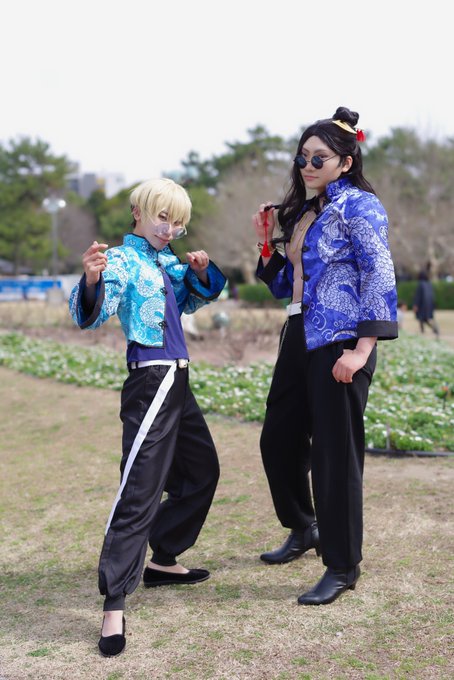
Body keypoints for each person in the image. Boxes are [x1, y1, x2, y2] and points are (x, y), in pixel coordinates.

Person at [69, 178, 226, 656]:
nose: (169, 228)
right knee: (139, 489)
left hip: (178, 380)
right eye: (163, 217)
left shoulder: (166, 262)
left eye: (178, 223)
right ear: (138, 211)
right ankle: (114, 604)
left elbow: (196, 298)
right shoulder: (121, 260)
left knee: (202, 471)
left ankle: (163, 557)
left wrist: (201, 271)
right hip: (151, 381)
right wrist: (92, 280)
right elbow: (91, 315)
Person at [252, 107, 398, 605]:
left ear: (346, 161)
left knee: (335, 457)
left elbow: (378, 273)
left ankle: (342, 564)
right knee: (278, 439)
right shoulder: (302, 212)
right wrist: (266, 244)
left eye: (319, 158)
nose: (308, 166)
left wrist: (362, 349)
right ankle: (304, 526)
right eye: (303, 158)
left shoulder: (360, 206)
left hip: (342, 340)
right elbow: (284, 285)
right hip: (298, 333)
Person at [413, 270, 439, 337]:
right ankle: (432, 329)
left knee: (422, 318)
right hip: (429, 304)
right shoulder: (429, 284)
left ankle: (425, 330)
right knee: (425, 318)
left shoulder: (421, 284)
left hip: (422, 304)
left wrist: (416, 305)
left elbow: (418, 295)